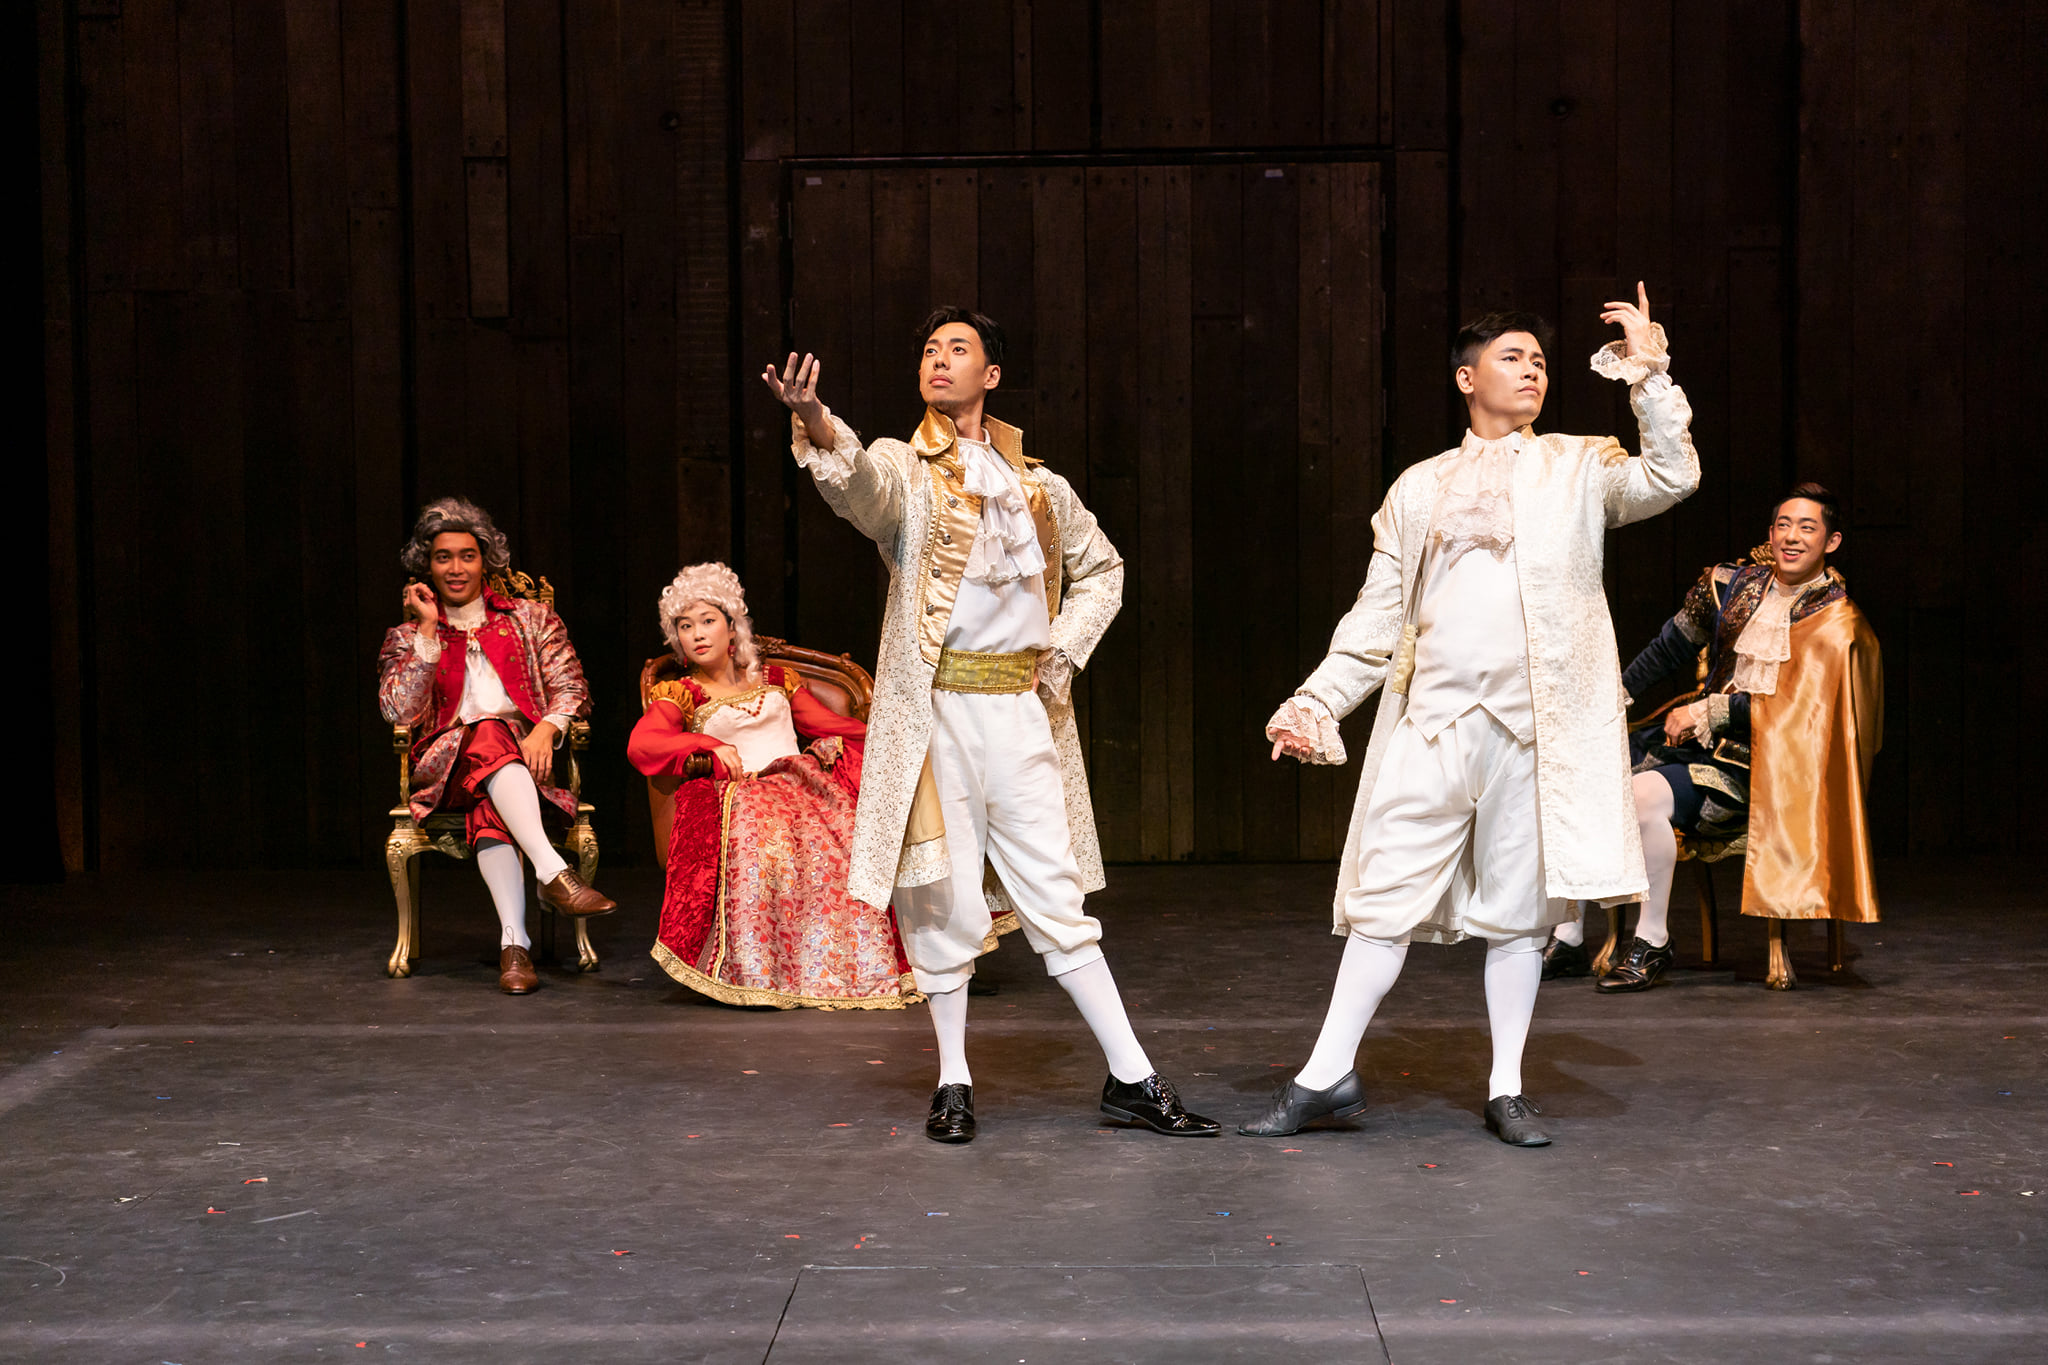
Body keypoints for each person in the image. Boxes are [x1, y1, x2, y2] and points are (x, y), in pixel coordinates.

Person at [1246, 285, 1700, 1146]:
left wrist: (1647, 372)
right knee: (1382, 897)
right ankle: (1325, 1074)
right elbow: (1380, 612)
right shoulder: (1419, 488)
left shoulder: (1577, 464)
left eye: (1540, 361)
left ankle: (1506, 1085)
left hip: (1534, 730)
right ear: (1466, 377)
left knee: (1521, 913)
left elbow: (1672, 475)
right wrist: (1319, 697)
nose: (1532, 371)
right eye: (1512, 357)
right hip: (1433, 722)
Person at [760, 307, 1218, 1144]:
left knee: (1057, 893)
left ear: (992, 374)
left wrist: (1061, 653)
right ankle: (953, 1080)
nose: (938, 359)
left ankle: (1132, 1077)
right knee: (940, 898)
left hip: (1018, 713)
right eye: (929, 349)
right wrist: (815, 418)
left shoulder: (1039, 486)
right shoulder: (905, 467)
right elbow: (859, 487)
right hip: (938, 717)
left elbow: (1104, 569)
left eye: (957, 348)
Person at [1546, 483, 1883, 991]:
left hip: (1771, 771)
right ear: (1770, 533)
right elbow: (1669, 649)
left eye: (1807, 528)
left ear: (1830, 541)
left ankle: (1652, 939)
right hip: (1697, 751)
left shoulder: (1836, 622)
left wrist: (1712, 710)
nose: (1792, 537)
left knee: (1639, 796)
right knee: (1581, 775)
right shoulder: (1731, 585)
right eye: (1784, 526)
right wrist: (1614, 698)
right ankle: (1569, 935)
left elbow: (1804, 713)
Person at [627, 562, 916, 1009]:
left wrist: (900, 732)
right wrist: (707, 743)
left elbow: (830, 725)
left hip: (802, 787)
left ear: (732, 627)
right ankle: (764, 969)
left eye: (707, 621)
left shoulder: (777, 681)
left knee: (842, 830)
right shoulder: (682, 693)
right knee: (760, 833)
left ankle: (850, 964)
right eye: (685, 626)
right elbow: (643, 745)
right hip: (746, 797)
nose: (697, 634)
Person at [377, 497, 616, 995]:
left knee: (490, 804)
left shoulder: (532, 619)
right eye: (443, 557)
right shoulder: (408, 634)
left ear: (485, 560)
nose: (456, 568)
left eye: (468, 556)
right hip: (445, 770)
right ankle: (553, 872)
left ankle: (515, 946)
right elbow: (399, 712)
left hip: (526, 765)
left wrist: (548, 728)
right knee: (486, 730)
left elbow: (572, 686)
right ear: (427, 565)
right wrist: (427, 631)